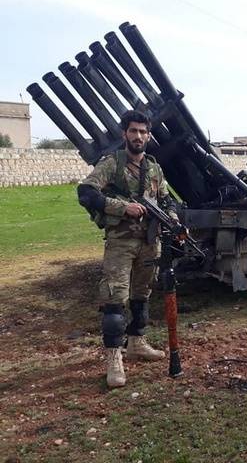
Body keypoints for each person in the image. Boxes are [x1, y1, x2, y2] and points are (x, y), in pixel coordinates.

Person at [77, 110, 178, 388]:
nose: (138, 136)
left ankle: (136, 342)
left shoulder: (155, 168)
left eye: (143, 132)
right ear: (125, 134)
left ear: (149, 135)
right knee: (114, 298)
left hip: (149, 242)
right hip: (121, 242)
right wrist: (123, 208)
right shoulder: (112, 164)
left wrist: (175, 218)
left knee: (142, 295)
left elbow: (167, 201)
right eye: (133, 131)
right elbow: (86, 193)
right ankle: (113, 358)